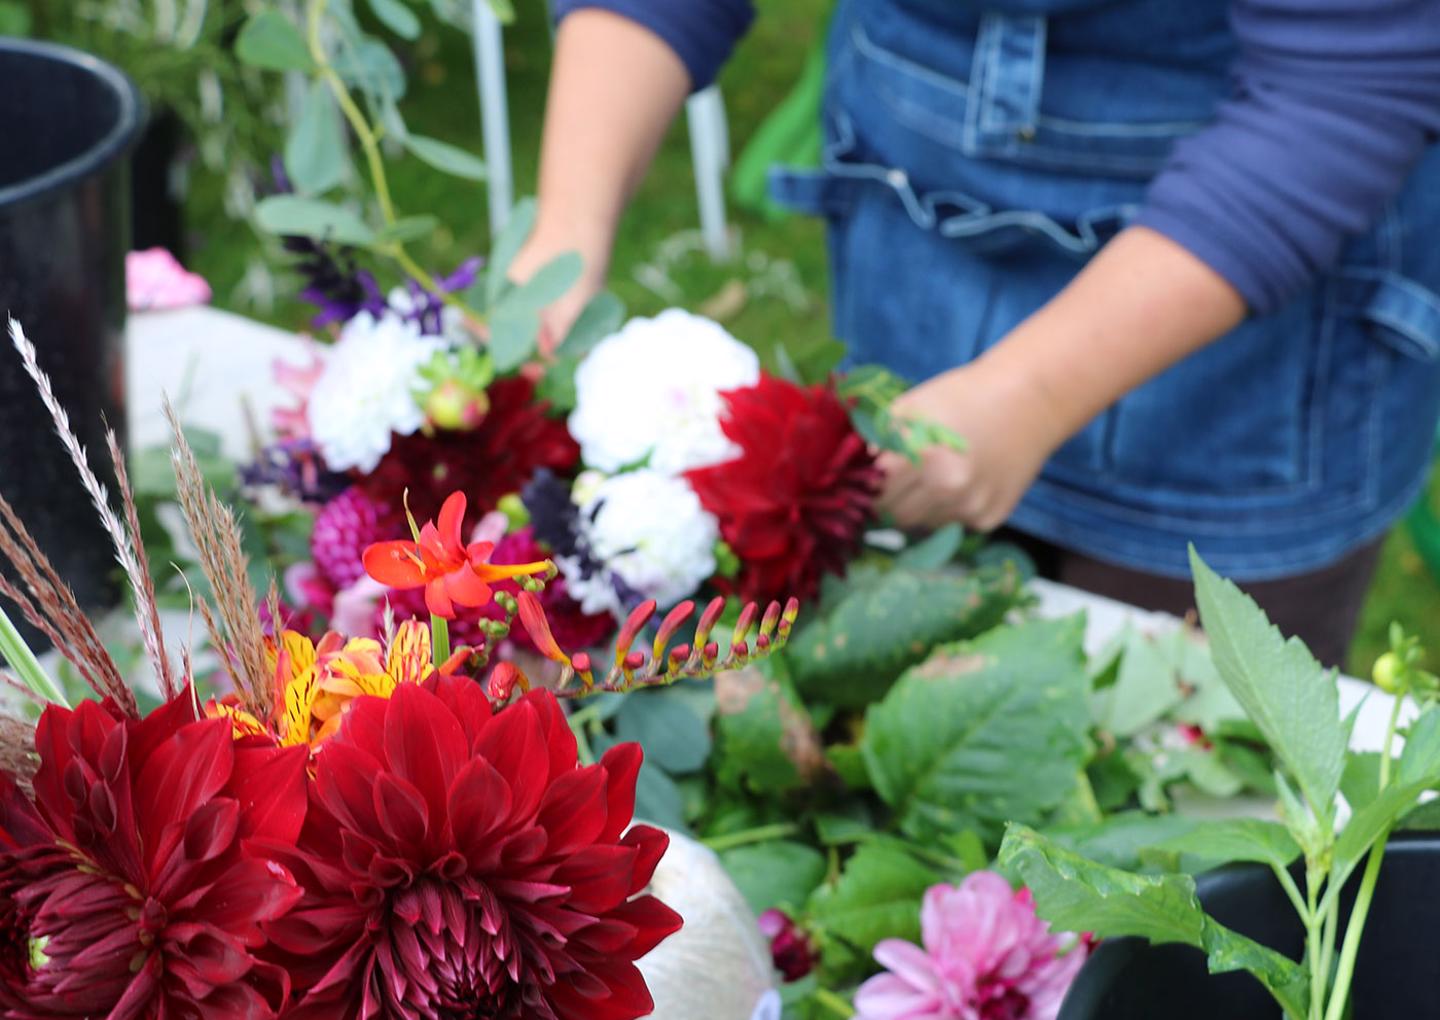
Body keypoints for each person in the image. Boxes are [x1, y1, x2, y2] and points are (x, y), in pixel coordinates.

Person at [511, 0, 1440, 667]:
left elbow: (1341, 83)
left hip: (1234, 364)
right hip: (909, 267)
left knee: (1184, 853)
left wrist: (1028, 396)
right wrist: (564, 237)